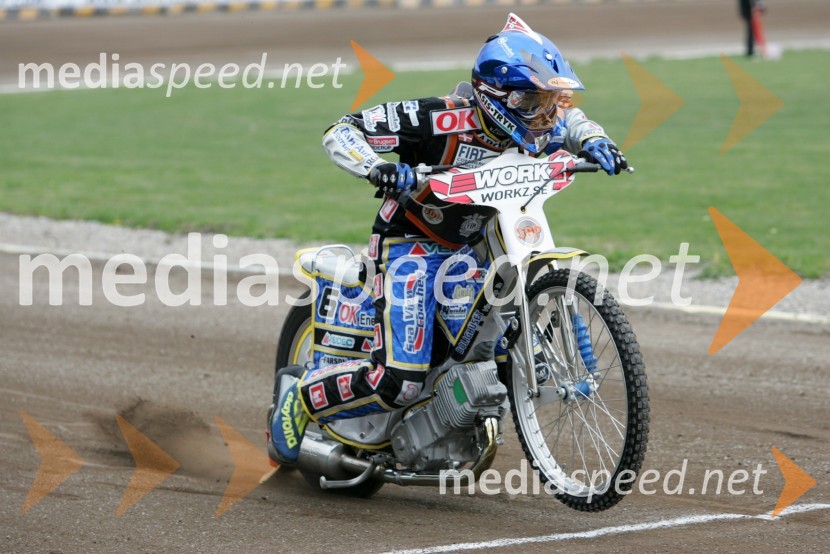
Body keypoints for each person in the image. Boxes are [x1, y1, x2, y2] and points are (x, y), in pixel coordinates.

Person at [268, 13, 628, 465]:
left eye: (549, 102)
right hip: (410, 244)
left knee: (491, 329)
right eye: (534, 102)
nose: (546, 114)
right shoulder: (434, 117)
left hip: (480, 240)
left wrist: (597, 140)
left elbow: (573, 119)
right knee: (400, 381)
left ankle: (467, 400)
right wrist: (377, 167)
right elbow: (342, 130)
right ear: (500, 96)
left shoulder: (539, 120)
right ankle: (302, 399)